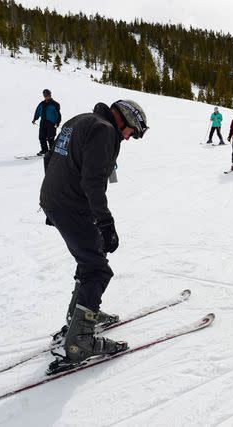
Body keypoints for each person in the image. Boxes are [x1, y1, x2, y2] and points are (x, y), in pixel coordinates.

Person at [40, 99, 148, 368]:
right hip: (71, 204)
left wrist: (52, 200)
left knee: (91, 256)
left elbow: (51, 158)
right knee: (98, 270)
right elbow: (93, 182)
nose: (129, 137)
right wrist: (106, 223)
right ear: (124, 119)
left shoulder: (80, 119)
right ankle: (79, 342)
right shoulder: (104, 131)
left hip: (57, 200)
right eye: (132, 131)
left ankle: (82, 317)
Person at [32, 89, 61, 156]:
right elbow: (38, 111)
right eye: (44, 95)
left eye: (47, 95)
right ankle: (44, 150)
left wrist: (57, 122)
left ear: (50, 95)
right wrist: (35, 119)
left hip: (51, 123)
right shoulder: (42, 104)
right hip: (43, 122)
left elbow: (58, 115)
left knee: (50, 137)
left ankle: (52, 151)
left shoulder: (55, 104)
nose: (46, 96)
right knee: (42, 137)